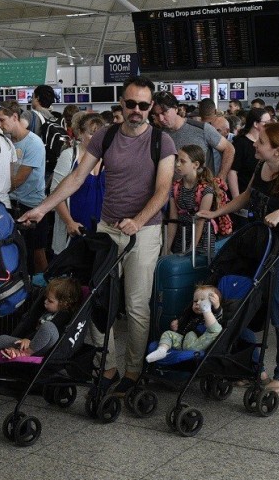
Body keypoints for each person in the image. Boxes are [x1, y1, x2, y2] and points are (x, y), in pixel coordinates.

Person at [19, 76, 176, 396]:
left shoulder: (162, 142)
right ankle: (108, 366)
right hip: (106, 229)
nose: (136, 110)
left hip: (143, 232)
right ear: (121, 103)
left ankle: (133, 370)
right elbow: (76, 177)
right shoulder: (105, 137)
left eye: (143, 106)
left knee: (135, 306)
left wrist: (139, 219)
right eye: (130, 104)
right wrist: (44, 209)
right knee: (96, 299)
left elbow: (162, 191)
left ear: (150, 108)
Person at [199, 123, 279, 394]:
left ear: (277, 150)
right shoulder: (260, 168)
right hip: (256, 250)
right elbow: (246, 197)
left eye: (260, 141)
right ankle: (253, 366)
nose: (254, 144)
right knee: (239, 307)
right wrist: (216, 214)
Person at [0, 101, 47, 274]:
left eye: (2, 120)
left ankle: (43, 289)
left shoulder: (34, 143)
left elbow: (19, 179)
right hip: (11, 202)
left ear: (15, 117)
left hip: (32, 205)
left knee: (37, 252)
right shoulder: (5, 142)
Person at [50, 112, 106, 255]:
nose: (97, 139)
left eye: (100, 134)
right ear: (80, 133)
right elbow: (55, 194)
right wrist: (69, 222)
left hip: (101, 230)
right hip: (74, 229)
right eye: (92, 134)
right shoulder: (69, 156)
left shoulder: (107, 158)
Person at [152, 91, 235, 182]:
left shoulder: (201, 129)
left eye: (164, 113)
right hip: (172, 193)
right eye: (156, 114)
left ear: (176, 109)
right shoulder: (158, 135)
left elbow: (229, 148)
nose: (161, 119)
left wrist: (221, 177)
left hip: (201, 192)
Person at [0, 277, 82, 358]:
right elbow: (32, 328)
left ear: (64, 303)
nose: (45, 302)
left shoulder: (64, 315)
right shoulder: (47, 311)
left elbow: (47, 332)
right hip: (30, 342)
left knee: (48, 327)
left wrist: (29, 341)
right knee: (3, 339)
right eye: (46, 298)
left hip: (42, 349)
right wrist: (25, 340)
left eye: (50, 301)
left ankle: (26, 352)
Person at [145, 285, 223, 363]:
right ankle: (161, 351)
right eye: (195, 301)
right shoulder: (192, 316)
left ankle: (206, 309)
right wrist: (177, 327)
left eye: (202, 300)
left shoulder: (214, 314)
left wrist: (216, 306)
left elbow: (218, 315)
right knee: (168, 334)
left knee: (215, 328)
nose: (198, 303)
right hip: (185, 342)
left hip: (201, 344)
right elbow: (184, 331)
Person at [165, 145, 218, 255]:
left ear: (196, 164)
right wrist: (166, 248)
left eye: (182, 161)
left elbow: (200, 221)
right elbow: (173, 219)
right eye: (177, 160)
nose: (177, 164)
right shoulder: (175, 187)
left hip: (201, 240)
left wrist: (190, 250)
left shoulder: (206, 190)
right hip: (182, 236)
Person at [228, 108, 272, 227]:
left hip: (258, 197)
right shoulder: (241, 143)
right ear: (256, 124)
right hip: (243, 195)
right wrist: (237, 199)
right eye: (266, 123)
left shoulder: (267, 143)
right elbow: (232, 172)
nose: (269, 125)